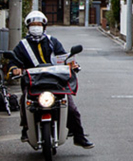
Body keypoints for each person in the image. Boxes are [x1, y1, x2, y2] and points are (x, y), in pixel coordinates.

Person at [8, 11, 94, 149]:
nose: (36, 27)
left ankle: (79, 136)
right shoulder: (22, 45)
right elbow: (13, 61)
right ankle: (26, 128)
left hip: (56, 83)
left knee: (71, 108)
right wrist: (14, 69)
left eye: (39, 24)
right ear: (28, 27)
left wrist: (71, 65)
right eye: (33, 25)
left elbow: (64, 57)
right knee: (24, 102)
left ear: (44, 26)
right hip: (33, 84)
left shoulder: (53, 42)